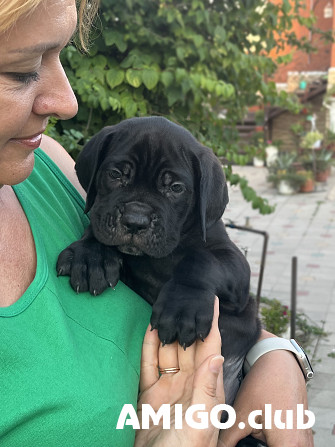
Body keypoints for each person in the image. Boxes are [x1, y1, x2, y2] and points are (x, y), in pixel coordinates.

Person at [0, 1, 313, 446]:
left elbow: (234, 282)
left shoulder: (45, 167)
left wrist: (278, 358)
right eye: (22, 68)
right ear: (96, 172)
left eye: (172, 188)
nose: (134, 213)